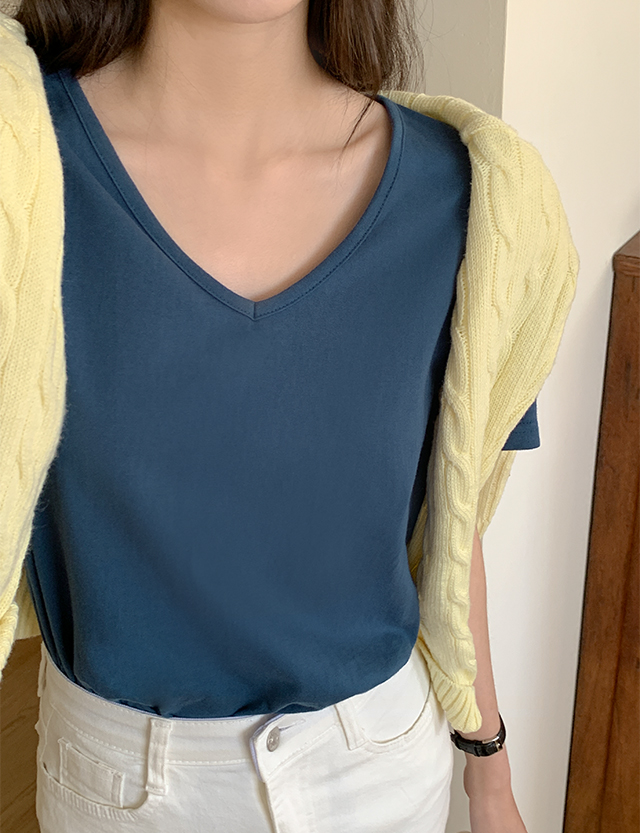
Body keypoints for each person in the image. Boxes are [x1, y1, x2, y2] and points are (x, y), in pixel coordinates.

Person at [0, 2, 579, 832]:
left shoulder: (472, 200)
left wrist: (488, 769)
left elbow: (451, 533)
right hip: (119, 789)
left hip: (384, 773)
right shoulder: (21, 171)